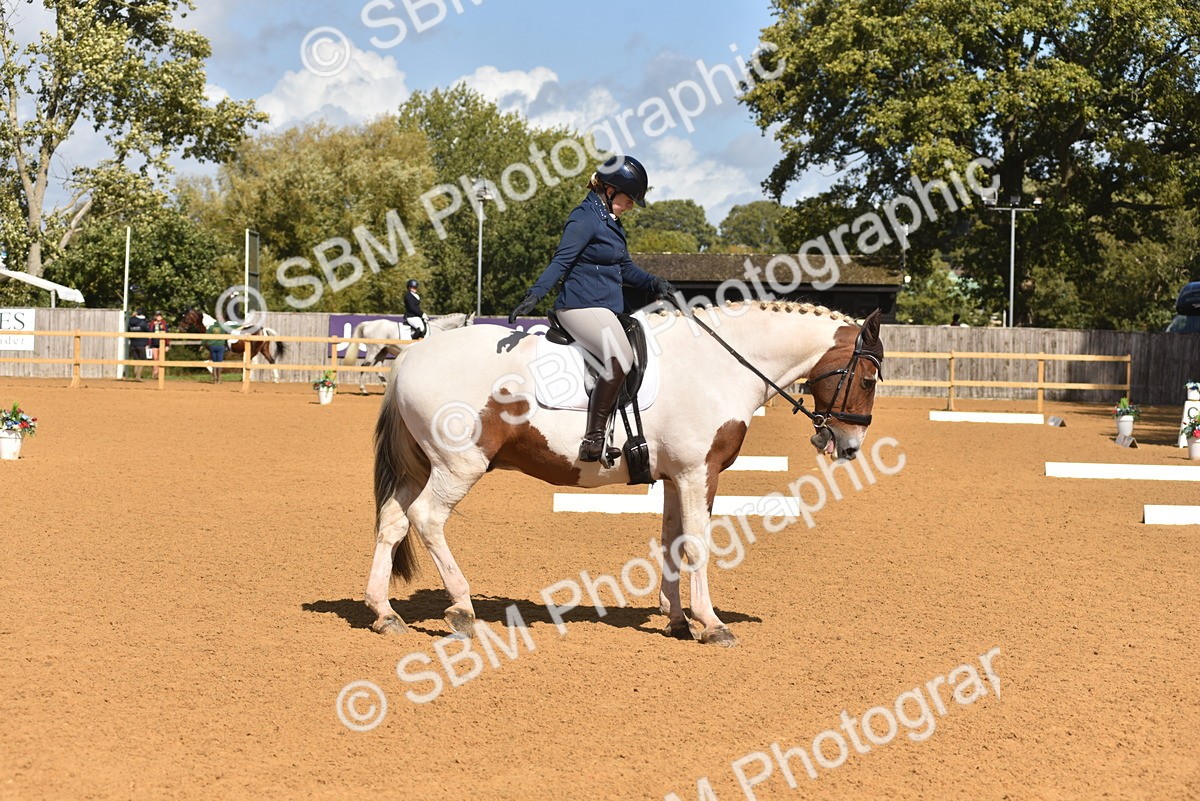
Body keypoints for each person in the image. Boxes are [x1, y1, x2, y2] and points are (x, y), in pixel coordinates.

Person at [508, 154, 677, 462]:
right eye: (628, 200)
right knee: (620, 356)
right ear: (610, 189)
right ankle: (593, 438)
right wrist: (534, 294)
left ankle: (617, 430)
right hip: (578, 307)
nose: (629, 207)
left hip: (605, 308)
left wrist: (655, 282)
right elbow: (561, 261)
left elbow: (624, 268)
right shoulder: (584, 218)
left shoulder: (611, 223)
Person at [126, 309, 150, 380]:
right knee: (143, 360)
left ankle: (135, 375)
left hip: (133, 343)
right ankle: (138, 376)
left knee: (135, 359)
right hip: (141, 344)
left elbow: (128, 331)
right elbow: (148, 331)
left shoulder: (130, 322)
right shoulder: (143, 322)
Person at [147, 311, 169, 379]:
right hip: (154, 343)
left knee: (161, 358)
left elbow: (167, 335)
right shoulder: (151, 324)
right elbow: (149, 333)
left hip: (162, 343)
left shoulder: (164, 324)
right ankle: (155, 373)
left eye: (160, 316)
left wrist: (167, 345)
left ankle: (160, 374)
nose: (159, 317)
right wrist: (148, 344)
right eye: (157, 316)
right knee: (155, 358)